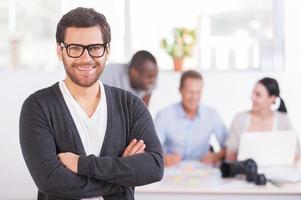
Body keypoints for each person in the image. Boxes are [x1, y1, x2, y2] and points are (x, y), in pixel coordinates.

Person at [19, 7, 163, 200]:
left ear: (107, 50)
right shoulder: (38, 107)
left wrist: (82, 165)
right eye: (75, 48)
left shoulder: (131, 105)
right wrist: (123, 173)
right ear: (60, 51)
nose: (86, 58)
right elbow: (50, 180)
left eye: (95, 48)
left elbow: (154, 167)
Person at [155, 70, 228, 167]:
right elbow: (152, 149)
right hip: (172, 172)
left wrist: (216, 156)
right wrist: (164, 158)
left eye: (198, 92)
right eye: (190, 92)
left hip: (202, 172)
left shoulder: (212, 115)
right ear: (180, 90)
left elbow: (229, 145)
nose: (194, 97)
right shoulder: (164, 115)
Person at [225, 77, 297, 161]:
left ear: (272, 98)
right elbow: (229, 156)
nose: (252, 97)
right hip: (245, 172)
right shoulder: (240, 119)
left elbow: (296, 154)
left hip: (278, 172)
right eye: (253, 93)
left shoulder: (283, 120)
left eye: (258, 95)